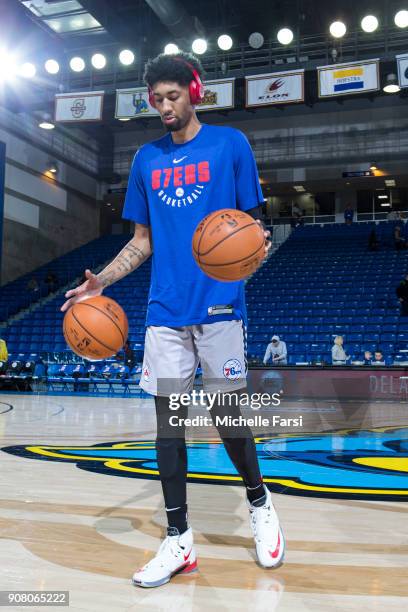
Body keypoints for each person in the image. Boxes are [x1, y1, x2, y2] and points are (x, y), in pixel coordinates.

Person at [61, 51, 284, 588]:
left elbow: (252, 228)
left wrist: (256, 248)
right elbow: (143, 241)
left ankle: (258, 502)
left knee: (228, 418)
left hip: (220, 307)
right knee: (169, 424)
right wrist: (101, 284)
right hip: (164, 312)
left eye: (172, 95)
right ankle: (178, 539)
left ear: (195, 91)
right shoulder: (146, 160)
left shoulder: (231, 145)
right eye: (155, 99)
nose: (164, 106)